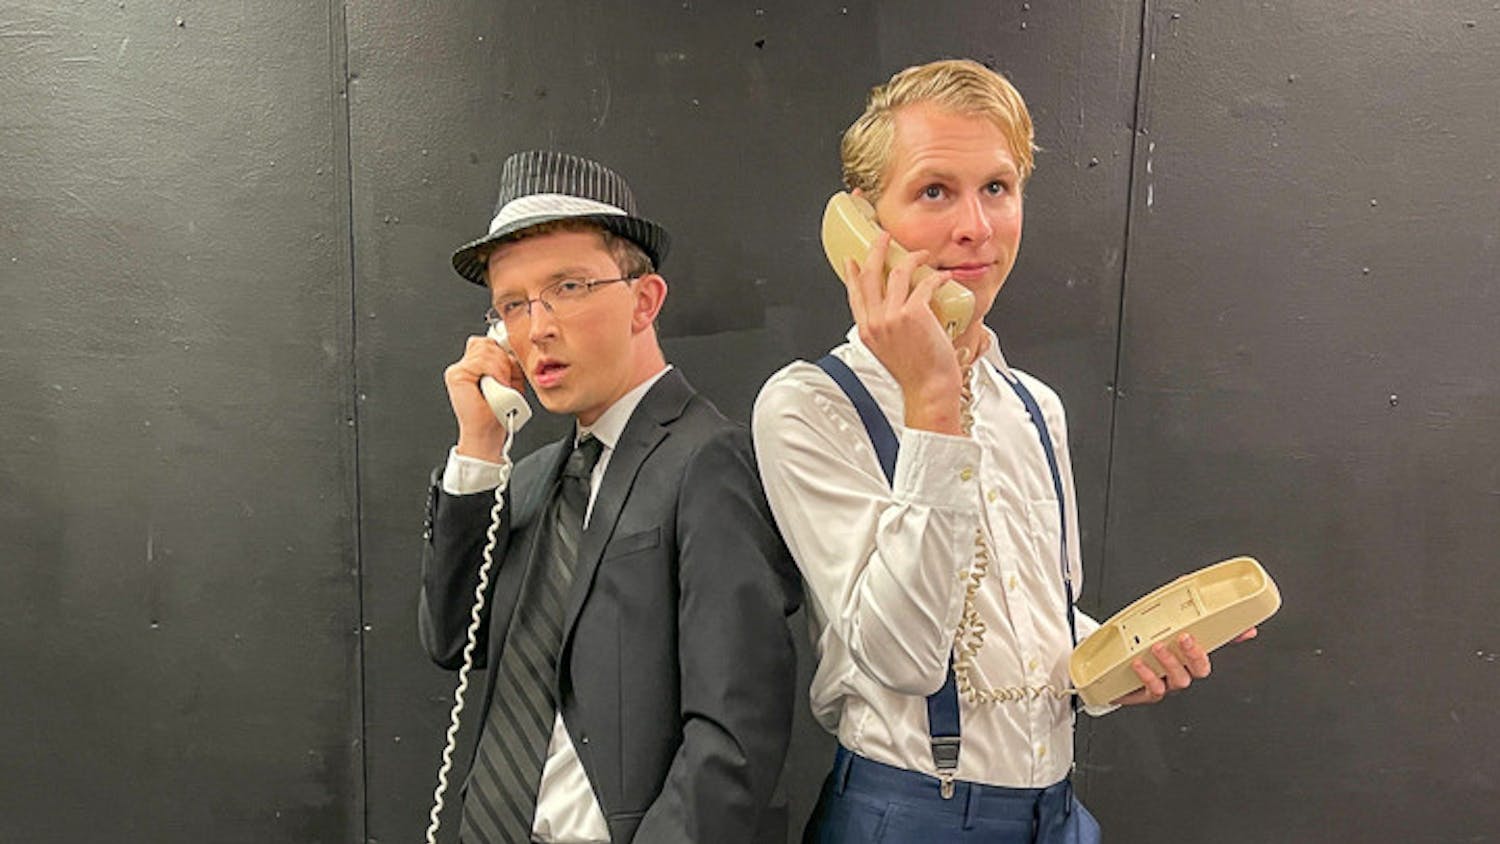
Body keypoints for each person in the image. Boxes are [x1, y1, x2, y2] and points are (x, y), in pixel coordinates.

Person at [752, 59, 1256, 842]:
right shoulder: (809, 406)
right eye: (933, 192)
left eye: (996, 188)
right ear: (861, 223)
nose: (975, 229)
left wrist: (1115, 664)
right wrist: (931, 402)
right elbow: (905, 657)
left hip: (1056, 814)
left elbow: (1033, 616)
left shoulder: (1033, 405)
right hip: (910, 815)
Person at [420, 150, 800, 844]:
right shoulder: (531, 480)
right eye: (512, 305)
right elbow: (452, 641)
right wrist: (479, 451)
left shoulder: (709, 460)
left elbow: (735, 740)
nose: (537, 328)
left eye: (567, 287)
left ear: (644, 300)